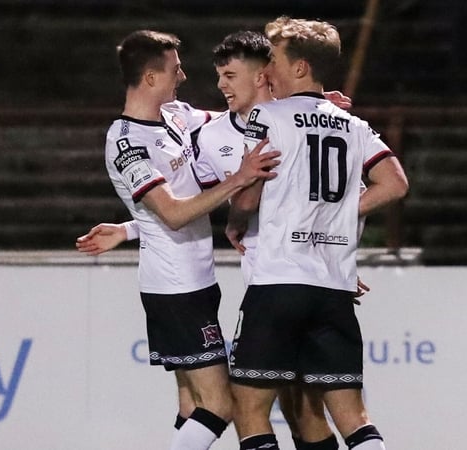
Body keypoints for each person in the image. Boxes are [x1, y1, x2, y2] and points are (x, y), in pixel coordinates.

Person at [79, 29, 353, 450]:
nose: (184, 76)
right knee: (222, 405)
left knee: (192, 406)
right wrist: (239, 179)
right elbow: (172, 213)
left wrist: (305, 106)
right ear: (150, 78)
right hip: (175, 288)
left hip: (195, 281)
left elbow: (241, 113)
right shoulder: (127, 142)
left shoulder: (177, 117)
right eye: (175, 69)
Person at [226, 16, 409, 450]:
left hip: (278, 283)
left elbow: (248, 198)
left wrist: (236, 216)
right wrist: (339, 215)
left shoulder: (267, 116)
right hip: (334, 288)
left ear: (300, 67)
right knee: (352, 417)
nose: (265, 70)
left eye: (273, 60)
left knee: (249, 409)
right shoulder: (354, 125)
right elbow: (395, 183)